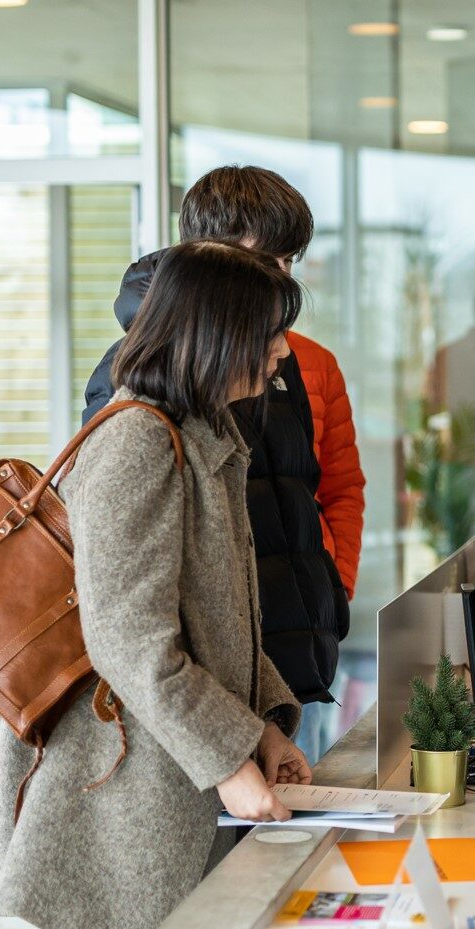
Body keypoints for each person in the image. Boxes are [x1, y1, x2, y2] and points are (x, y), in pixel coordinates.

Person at [0, 241, 312, 929]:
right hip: (115, 795)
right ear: (212, 331)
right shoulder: (136, 439)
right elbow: (127, 636)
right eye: (268, 331)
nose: (283, 350)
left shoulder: (203, 429)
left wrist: (260, 729)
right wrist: (229, 758)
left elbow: (219, 615)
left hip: (164, 770)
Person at [83, 165, 364, 765]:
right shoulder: (134, 390)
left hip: (281, 654)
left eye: (289, 265)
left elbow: (337, 486)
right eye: (268, 262)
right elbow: (125, 608)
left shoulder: (300, 363)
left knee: (287, 841)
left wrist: (328, 594)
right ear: (209, 256)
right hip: (187, 673)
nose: (278, 284)